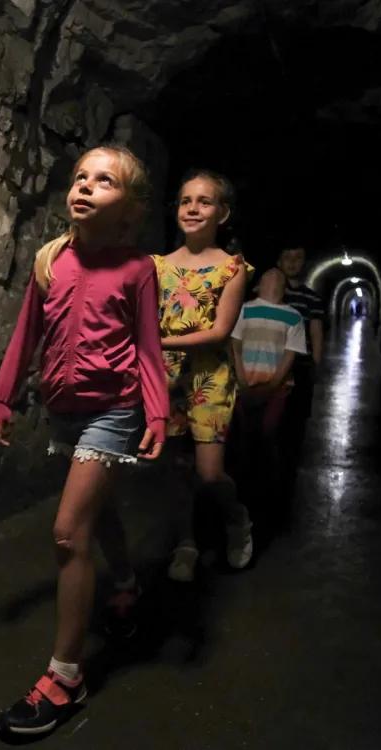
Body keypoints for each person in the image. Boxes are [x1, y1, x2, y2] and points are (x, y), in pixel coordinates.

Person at [0, 145, 169, 736]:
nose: (85, 186)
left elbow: (147, 345)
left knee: (68, 531)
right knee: (99, 508)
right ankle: (123, 581)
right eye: (79, 177)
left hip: (114, 412)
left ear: (129, 209)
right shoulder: (51, 262)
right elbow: (27, 333)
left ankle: (66, 677)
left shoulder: (139, 270)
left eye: (104, 180)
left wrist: (158, 414)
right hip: (65, 410)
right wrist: (4, 396)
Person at [152, 168, 253, 582]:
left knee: (209, 473)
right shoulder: (155, 266)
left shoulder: (233, 268)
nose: (193, 208)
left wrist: (155, 342)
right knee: (176, 468)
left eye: (204, 201)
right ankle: (186, 542)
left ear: (222, 213)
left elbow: (219, 331)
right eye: (186, 200)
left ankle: (238, 518)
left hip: (209, 375)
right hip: (165, 376)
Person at [231, 268, 307, 524]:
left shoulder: (294, 317)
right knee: (245, 435)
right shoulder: (245, 309)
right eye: (268, 275)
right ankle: (244, 490)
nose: (273, 278)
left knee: (268, 432)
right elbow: (235, 345)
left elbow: (290, 353)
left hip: (277, 388)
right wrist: (241, 379)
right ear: (258, 285)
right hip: (246, 384)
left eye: (278, 277)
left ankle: (268, 492)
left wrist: (274, 383)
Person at [277, 245, 326, 467]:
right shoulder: (272, 293)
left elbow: (316, 331)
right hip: (274, 362)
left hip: (300, 364)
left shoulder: (312, 298)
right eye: (287, 257)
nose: (292, 262)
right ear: (279, 262)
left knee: (297, 414)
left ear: (305, 263)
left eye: (298, 258)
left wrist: (317, 362)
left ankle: (291, 456)